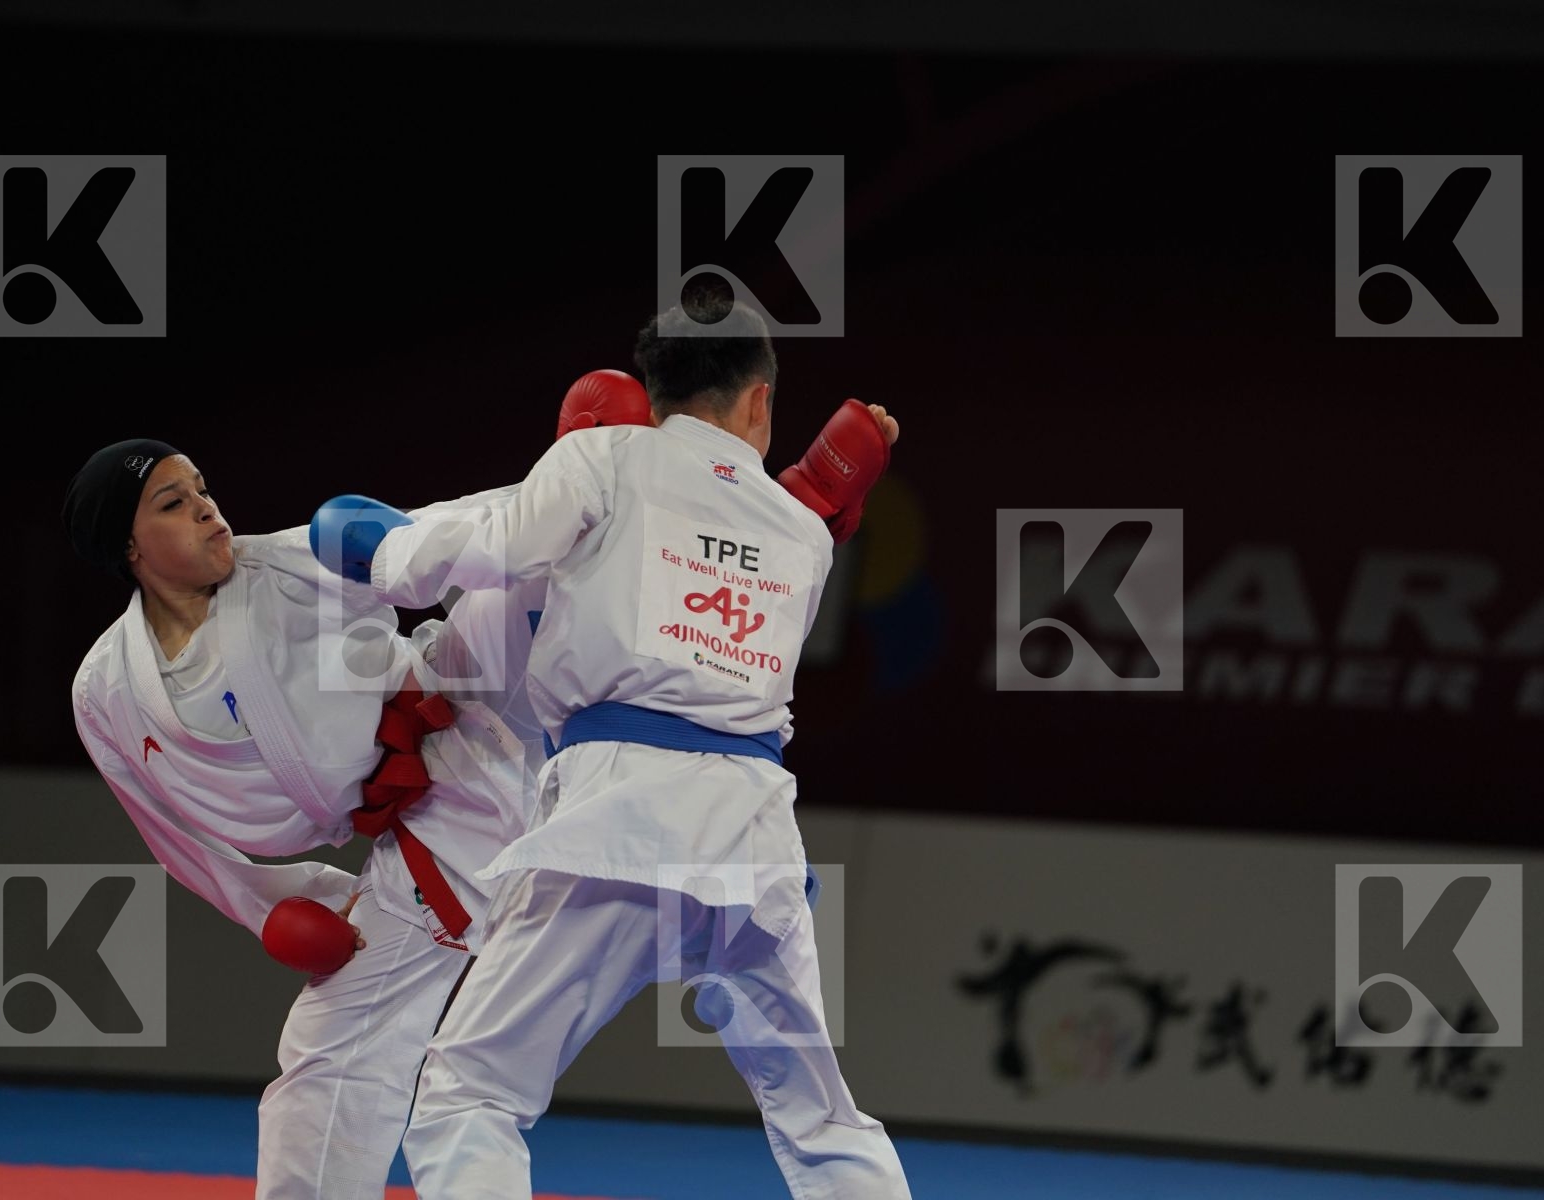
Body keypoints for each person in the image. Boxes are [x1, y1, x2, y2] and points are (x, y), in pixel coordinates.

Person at [312, 299, 912, 1199]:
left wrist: (377, 549)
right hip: (754, 841)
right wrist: (825, 489)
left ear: (654, 389)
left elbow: (492, 550)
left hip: (617, 821)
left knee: (468, 1093)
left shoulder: (604, 455)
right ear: (759, 402)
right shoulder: (799, 531)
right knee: (822, 1119)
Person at [62, 371, 645, 1198]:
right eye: (171, 502)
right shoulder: (107, 691)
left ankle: (650, 489)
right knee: (328, 1053)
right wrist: (276, 902)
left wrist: (567, 483)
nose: (205, 507)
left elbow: (438, 533)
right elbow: (172, 837)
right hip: (409, 830)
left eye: (203, 489)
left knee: (515, 572)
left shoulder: (283, 562)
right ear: (128, 547)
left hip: (456, 713)